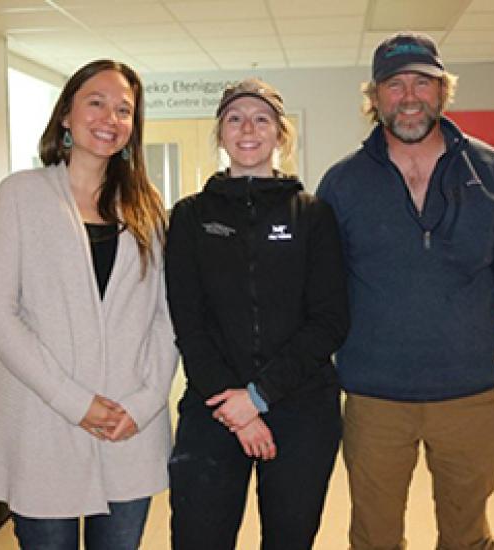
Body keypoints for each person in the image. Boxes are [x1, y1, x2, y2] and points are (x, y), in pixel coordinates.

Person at [317, 32, 494, 550]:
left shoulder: (493, 171)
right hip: (373, 397)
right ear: (375, 96)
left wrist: (466, 317)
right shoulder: (342, 183)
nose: (409, 96)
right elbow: (326, 281)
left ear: (442, 91)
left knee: (467, 534)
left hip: (469, 392)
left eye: (422, 82)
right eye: (394, 84)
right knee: (375, 536)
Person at [0, 59, 178, 550]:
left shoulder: (147, 204)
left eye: (124, 109)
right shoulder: (21, 195)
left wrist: (146, 403)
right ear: (66, 113)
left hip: (126, 426)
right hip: (43, 423)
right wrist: (75, 402)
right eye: (97, 102)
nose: (110, 117)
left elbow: (165, 317)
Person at [165, 77, 348, 550]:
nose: (248, 128)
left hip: (302, 407)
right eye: (235, 118)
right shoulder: (189, 217)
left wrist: (259, 397)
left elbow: (330, 320)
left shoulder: (313, 215)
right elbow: (188, 321)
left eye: (262, 118)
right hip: (214, 406)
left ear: (281, 134)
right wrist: (238, 409)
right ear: (221, 134)